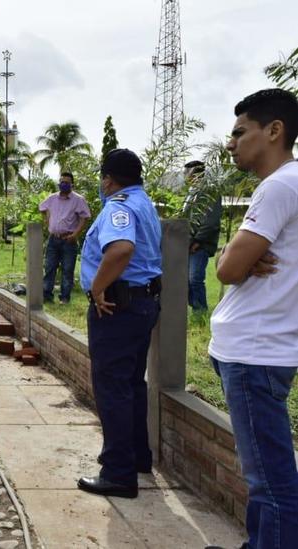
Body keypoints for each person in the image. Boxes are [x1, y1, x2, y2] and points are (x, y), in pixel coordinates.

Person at [208, 88, 298, 549]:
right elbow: (236, 262)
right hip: (261, 348)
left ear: (274, 131)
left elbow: (227, 270)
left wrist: (234, 254)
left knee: (271, 480)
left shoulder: (280, 184)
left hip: (256, 351)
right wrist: (238, 252)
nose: (231, 143)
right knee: (262, 472)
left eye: (240, 132)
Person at [76, 148, 162, 499]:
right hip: (142, 304)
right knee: (131, 385)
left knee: (112, 388)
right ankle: (137, 457)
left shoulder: (119, 206)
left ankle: (118, 473)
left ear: (108, 179)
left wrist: (97, 288)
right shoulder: (146, 203)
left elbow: (121, 249)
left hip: (116, 307)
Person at [39, 172, 91, 303]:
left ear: (72, 184)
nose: (64, 184)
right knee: (49, 267)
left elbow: (85, 217)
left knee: (68, 270)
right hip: (53, 239)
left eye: (67, 182)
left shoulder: (78, 200)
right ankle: (46, 296)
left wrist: (76, 234)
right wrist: (47, 220)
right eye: (62, 182)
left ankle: (65, 297)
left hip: (69, 239)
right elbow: (41, 208)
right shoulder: (52, 198)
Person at [183, 160, 222, 312]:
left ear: (195, 174)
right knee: (187, 280)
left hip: (199, 244)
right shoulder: (191, 192)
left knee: (195, 279)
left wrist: (197, 240)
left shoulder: (210, 192)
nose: (185, 176)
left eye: (187, 172)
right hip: (187, 243)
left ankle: (200, 311)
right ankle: (194, 309)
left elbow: (211, 221)